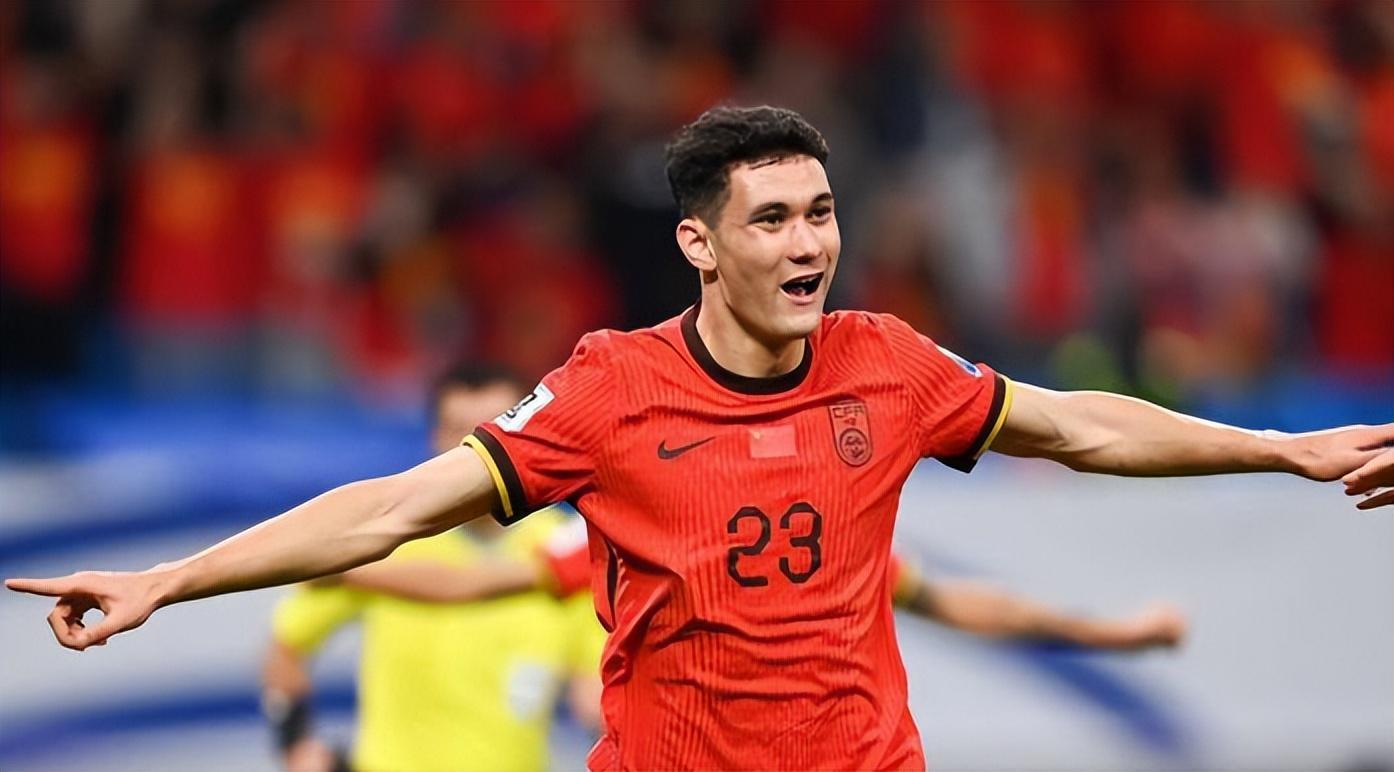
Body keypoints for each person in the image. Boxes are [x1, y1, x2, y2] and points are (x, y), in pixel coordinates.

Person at [8, 105, 1390, 771]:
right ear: (698, 244)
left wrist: (1279, 448)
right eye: (770, 220)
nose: (807, 244)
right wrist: (166, 579)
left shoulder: (887, 362)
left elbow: (1075, 425)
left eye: (820, 213)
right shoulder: (608, 391)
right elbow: (391, 509)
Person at [260, 364, 604, 772]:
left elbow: (592, 687)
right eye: (460, 433)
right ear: (434, 438)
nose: (479, 453)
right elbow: (287, 647)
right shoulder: (386, 541)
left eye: (496, 430)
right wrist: (296, 745)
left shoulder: (565, 548)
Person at [337, 529, 1187, 653]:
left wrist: (1111, 635)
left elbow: (958, 602)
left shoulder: (827, 534)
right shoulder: (633, 524)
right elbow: (477, 584)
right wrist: (340, 565)